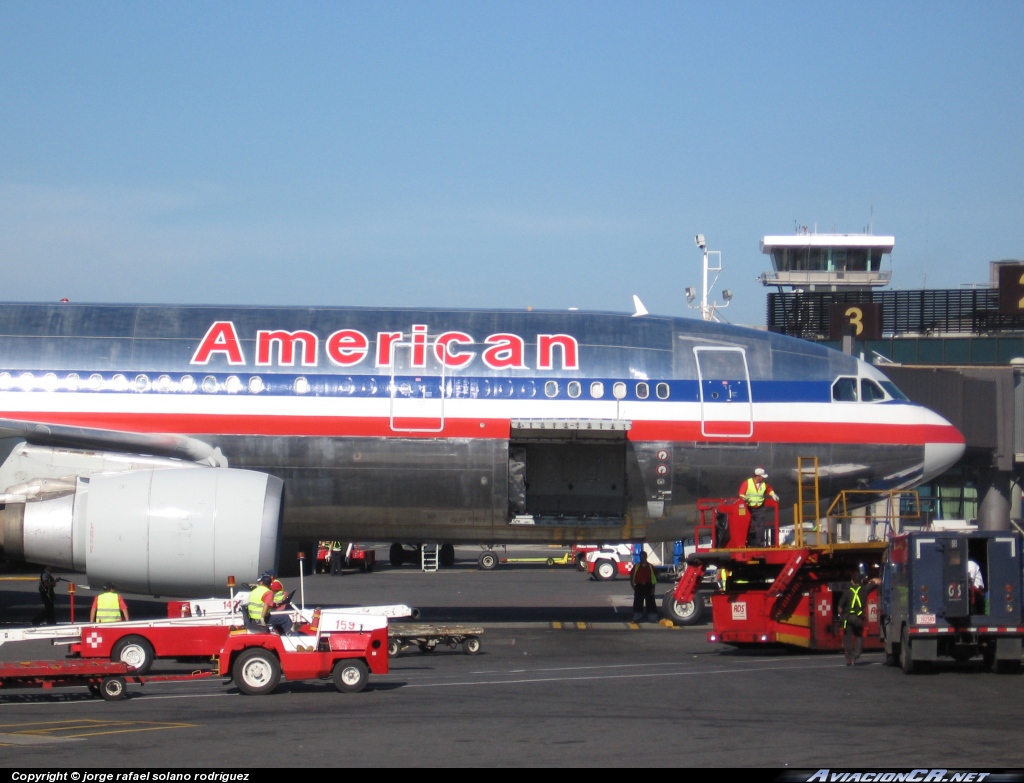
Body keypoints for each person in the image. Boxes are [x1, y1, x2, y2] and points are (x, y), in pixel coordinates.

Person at [837, 572, 880, 665]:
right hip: (857, 619)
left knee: (847, 638)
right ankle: (856, 655)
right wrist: (872, 581)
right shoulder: (864, 589)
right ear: (861, 581)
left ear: (851, 582)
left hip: (847, 618)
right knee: (859, 636)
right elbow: (877, 582)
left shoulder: (846, 592)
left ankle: (849, 658)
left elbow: (840, 607)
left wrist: (841, 615)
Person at [739, 467, 780, 547]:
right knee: (746, 525)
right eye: (762, 477)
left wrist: (773, 495)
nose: (763, 479)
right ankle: (747, 543)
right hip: (748, 508)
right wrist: (745, 498)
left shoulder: (764, 484)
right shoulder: (747, 483)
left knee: (760, 526)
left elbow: (769, 489)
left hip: (759, 508)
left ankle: (760, 544)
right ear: (758, 476)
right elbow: (741, 493)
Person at [630, 550, 659, 623]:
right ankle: (637, 616)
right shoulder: (636, 566)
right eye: (641, 556)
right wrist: (632, 584)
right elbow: (631, 575)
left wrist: (653, 589)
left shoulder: (650, 566)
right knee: (637, 602)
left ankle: (652, 617)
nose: (642, 557)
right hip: (639, 586)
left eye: (643, 556)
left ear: (646, 557)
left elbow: (654, 578)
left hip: (648, 585)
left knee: (650, 602)